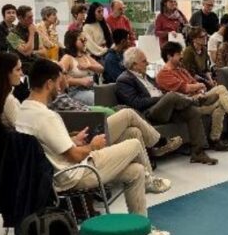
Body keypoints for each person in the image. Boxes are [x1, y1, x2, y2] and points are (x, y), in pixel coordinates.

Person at [13, 59, 171, 235]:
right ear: (49, 83)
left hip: (55, 173)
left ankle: (141, 231)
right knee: (134, 142)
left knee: (135, 171)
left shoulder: (24, 111)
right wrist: (92, 145)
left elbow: (47, 146)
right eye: (58, 81)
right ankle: (149, 181)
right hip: (74, 174)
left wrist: (72, 139)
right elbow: (74, 156)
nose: (60, 86)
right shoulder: (47, 116)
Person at [47, 72, 183, 168]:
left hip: (93, 122)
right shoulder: (59, 98)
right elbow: (86, 112)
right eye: (64, 75)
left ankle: (147, 176)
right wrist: (107, 111)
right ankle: (157, 143)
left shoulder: (62, 96)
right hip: (92, 129)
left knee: (134, 131)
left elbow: (86, 109)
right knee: (128, 113)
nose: (67, 77)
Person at [115, 47, 217, 165]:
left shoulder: (146, 76)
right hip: (149, 113)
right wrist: (162, 98)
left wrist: (163, 97)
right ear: (134, 65)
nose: (147, 63)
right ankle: (196, 101)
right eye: (144, 61)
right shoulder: (124, 80)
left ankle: (198, 153)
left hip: (164, 108)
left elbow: (158, 92)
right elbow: (136, 103)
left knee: (192, 112)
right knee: (171, 96)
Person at [156, 41, 228, 148]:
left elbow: (194, 83)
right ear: (169, 56)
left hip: (199, 99)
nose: (181, 56)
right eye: (179, 54)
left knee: (222, 103)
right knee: (220, 89)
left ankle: (215, 138)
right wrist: (199, 86)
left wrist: (200, 90)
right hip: (185, 107)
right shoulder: (163, 74)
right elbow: (185, 88)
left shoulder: (181, 70)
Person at [59, 29, 102, 105]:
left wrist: (89, 66)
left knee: (107, 96)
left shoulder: (85, 56)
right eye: (81, 39)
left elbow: (101, 69)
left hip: (92, 88)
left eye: (85, 39)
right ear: (72, 41)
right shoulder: (67, 58)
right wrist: (80, 81)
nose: (84, 41)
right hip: (75, 91)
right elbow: (59, 78)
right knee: (98, 99)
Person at [7, 5, 39, 74]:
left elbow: (41, 50)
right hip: (20, 64)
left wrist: (33, 51)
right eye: (29, 17)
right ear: (20, 18)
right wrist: (31, 34)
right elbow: (27, 52)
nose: (32, 20)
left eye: (32, 17)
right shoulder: (12, 34)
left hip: (34, 60)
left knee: (56, 66)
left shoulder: (32, 29)